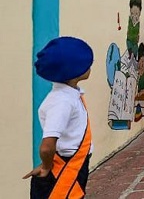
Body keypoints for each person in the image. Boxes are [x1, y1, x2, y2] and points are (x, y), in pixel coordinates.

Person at [25, 36, 94, 198]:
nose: (90, 65)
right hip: (65, 166)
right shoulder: (61, 102)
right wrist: (46, 167)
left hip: (75, 163)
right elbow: (47, 146)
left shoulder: (70, 96)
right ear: (73, 71)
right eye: (86, 63)